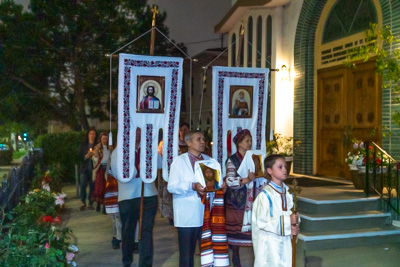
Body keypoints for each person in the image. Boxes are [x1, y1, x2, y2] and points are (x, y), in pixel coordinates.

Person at [114, 128, 158, 267]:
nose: (138, 133)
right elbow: (117, 172)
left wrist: (149, 164)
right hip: (128, 197)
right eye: (136, 130)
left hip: (149, 195)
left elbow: (159, 164)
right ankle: (127, 261)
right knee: (128, 231)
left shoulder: (148, 149)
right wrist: (138, 169)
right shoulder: (119, 151)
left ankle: (145, 264)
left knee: (146, 232)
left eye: (140, 130)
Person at [168, 130, 210, 267]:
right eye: (198, 139)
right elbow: (172, 186)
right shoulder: (179, 161)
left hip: (206, 213)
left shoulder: (209, 160)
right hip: (187, 215)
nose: (202, 142)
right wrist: (192, 186)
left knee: (208, 253)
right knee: (187, 255)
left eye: (203, 139)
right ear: (188, 143)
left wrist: (220, 186)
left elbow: (213, 184)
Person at [252, 154, 299, 267]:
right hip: (270, 243)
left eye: (285, 167)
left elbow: (293, 213)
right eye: (280, 167)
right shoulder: (265, 195)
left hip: (286, 241)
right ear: (269, 170)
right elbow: (262, 222)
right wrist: (288, 222)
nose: (284, 170)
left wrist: (295, 224)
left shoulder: (288, 192)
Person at [225, 129, 256, 267]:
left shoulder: (253, 158)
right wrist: (245, 180)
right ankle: (236, 261)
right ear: (239, 144)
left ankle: (258, 261)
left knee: (254, 234)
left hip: (251, 199)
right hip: (236, 202)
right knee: (235, 235)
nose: (249, 143)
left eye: (250, 140)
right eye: (246, 141)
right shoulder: (232, 160)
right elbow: (230, 181)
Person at [104, 146, 122, 249]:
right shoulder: (113, 156)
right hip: (113, 191)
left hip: (124, 190)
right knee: (115, 217)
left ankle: (133, 240)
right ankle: (117, 236)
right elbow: (107, 174)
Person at [92, 132, 113, 213]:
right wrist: (96, 152)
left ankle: (104, 207)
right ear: (100, 139)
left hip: (107, 169)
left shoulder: (109, 148)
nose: (105, 140)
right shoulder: (97, 147)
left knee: (106, 188)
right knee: (99, 188)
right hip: (100, 169)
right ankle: (98, 204)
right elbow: (95, 159)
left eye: (106, 139)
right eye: (103, 138)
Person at [78, 128, 97, 211]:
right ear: (88, 135)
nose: (92, 135)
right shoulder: (83, 144)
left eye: (93, 134)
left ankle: (90, 203)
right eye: (90, 134)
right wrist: (85, 157)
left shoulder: (97, 145)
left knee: (92, 186)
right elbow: (78, 156)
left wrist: (94, 155)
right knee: (82, 185)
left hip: (93, 168)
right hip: (84, 168)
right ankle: (83, 202)